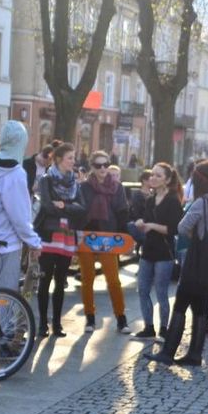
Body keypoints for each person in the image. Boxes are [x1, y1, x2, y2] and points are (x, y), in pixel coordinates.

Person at [148, 162, 208, 367]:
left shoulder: (200, 203)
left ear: (199, 179)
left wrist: (191, 231)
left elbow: (182, 227)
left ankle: (168, 352)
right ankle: (195, 354)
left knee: (180, 305)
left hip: (195, 263)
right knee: (200, 309)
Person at [0, 121, 42, 291]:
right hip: (7, 243)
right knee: (5, 300)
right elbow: (20, 216)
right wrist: (33, 242)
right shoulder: (15, 173)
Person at [34, 143, 86, 338]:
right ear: (58, 159)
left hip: (67, 236)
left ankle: (57, 324)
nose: (73, 161)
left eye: (74, 158)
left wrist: (64, 205)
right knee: (44, 281)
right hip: (48, 234)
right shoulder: (47, 179)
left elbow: (83, 209)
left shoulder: (75, 183)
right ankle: (42, 324)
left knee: (61, 281)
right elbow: (47, 206)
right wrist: (68, 207)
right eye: (70, 158)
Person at [77, 150, 131, 334]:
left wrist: (122, 238)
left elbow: (123, 212)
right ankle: (90, 318)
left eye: (105, 165)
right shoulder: (84, 187)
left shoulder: (117, 187)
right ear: (92, 167)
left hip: (109, 237)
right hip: (88, 237)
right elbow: (80, 210)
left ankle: (121, 318)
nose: (102, 169)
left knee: (113, 280)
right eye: (98, 165)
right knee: (87, 280)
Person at [133, 163, 183, 338]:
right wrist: (140, 223)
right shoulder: (149, 200)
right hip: (148, 250)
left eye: (158, 176)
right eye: (152, 175)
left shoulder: (173, 200)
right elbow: (145, 222)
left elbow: (174, 229)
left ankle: (164, 329)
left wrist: (152, 225)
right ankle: (148, 326)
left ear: (168, 180)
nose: (153, 178)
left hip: (164, 251)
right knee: (143, 289)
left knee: (162, 292)